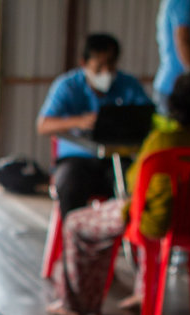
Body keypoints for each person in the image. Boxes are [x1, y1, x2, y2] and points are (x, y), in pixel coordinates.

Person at [49, 71, 190, 315]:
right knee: (155, 208)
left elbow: (134, 182)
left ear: (174, 103)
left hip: (153, 223)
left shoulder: (162, 141)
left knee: (75, 223)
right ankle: (144, 291)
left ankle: (75, 304)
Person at [37, 33, 152, 217]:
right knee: (70, 183)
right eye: (99, 66)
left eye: (111, 65)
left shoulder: (128, 85)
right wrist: (78, 121)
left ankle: (123, 240)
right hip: (76, 161)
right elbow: (43, 125)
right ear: (84, 63)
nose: (106, 72)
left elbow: (149, 116)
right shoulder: (67, 86)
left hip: (115, 160)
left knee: (138, 183)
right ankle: (74, 238)